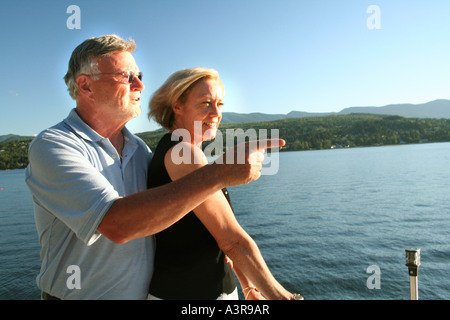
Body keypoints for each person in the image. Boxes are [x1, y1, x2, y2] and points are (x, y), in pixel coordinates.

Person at [25, 35, 285, 300]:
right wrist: (219, 173)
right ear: (86, 85)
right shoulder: (53, 147)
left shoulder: (141, 152)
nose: (140, 84)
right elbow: (116, 224)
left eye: (139, 74)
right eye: (126, 76)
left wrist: (244, 280)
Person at [146, 68, 302, 300]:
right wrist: (284, 298)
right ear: (177, 106)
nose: (216, 113)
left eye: (220, 104)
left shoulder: (180, 150)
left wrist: (248, 287)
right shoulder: (184, 153)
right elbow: (231, 239)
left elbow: (216, 235)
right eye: (205, 103)